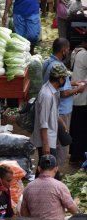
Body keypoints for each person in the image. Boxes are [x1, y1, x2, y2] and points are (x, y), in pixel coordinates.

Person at [42, 38, 85, 166]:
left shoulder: (47, 62)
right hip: (61, 110)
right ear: (64, 50)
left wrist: (72, 83)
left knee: (53, 141)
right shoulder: (59, 66)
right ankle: (56, 170)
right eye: (68, 49)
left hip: (54, 108)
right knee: (60, 144)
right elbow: (64, 93)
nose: (68, 51)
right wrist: (78, 89)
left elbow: (57, 83)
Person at [21, 154, 79, 220]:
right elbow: (74, 211)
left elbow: (24, 213)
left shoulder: (28, 187)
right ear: (56, 168)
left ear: (39, 168)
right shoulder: (60, 186)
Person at [31, 64, 71, 178]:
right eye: (65, 78)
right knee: (48, 168)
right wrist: (45, 145)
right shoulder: (46, 95)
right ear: (60, 79)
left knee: (45, 167)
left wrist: (62, 122)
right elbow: (43, 123)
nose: (65, 81)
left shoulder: (54, 91)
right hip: (46, 138)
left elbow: (53, 112)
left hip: (51, 136)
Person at [69, 37, 87, 164]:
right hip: (81, 98)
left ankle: (76, 154)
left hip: (77, 98)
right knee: (81, 128)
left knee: (76, 128)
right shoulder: (84, 54)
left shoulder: (76, 52)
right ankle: (78, 156)